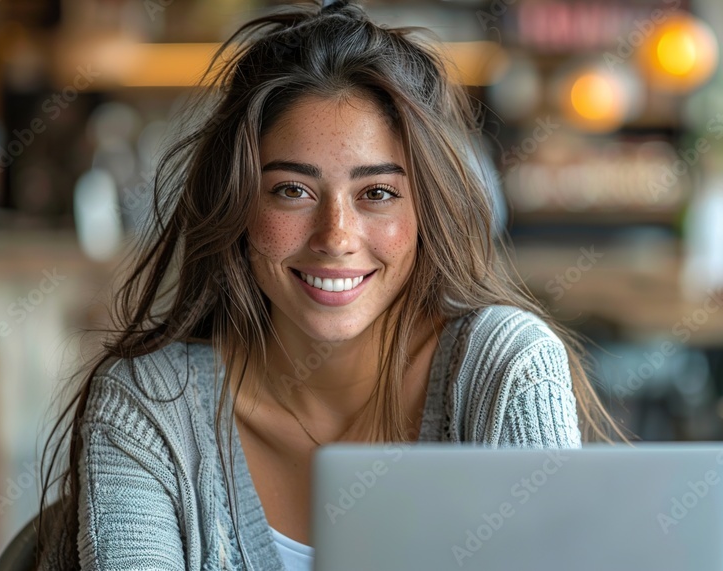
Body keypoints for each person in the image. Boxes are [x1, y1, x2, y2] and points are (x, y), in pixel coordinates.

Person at [37, 1, 621, 569]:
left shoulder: (505, 371)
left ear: (427, 211)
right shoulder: (148, 409)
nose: (335, 236)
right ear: (238, 204)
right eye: (293, 190)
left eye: (378, 193)